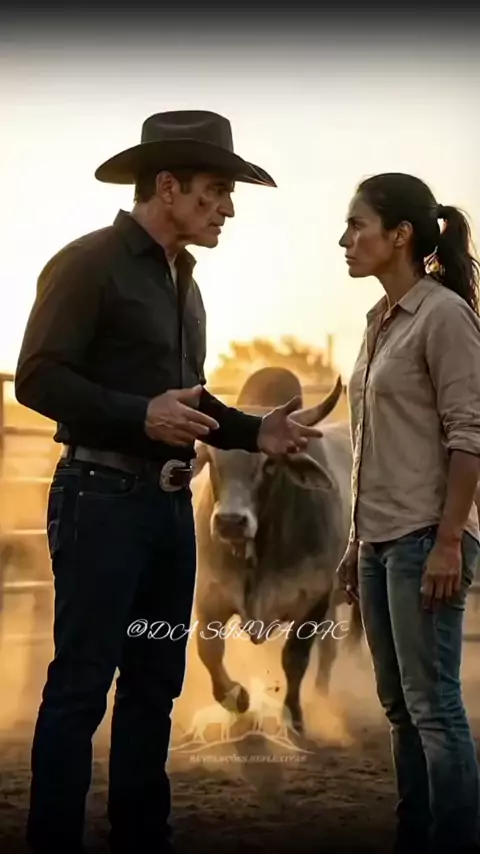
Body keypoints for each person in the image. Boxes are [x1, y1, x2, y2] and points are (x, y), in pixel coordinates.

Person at [14, 110, 322, 854]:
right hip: (99, 499)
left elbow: (190, 399)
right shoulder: (86, 265)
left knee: (156, 681)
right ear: (167, 186)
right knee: (83, 682)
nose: (228, 209)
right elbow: (36, 377)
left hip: (169, 506)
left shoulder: (188, 284)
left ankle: (140, 836)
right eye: (216, 190)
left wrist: (255, 431)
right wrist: (137, 413)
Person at [336, 172, 480, 854]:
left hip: (425, 538)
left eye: (356, 224)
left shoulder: (444, 316)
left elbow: (469, 436)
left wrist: (449, 541)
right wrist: (353, 542)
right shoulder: (377, 323)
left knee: (434, 707)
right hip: (377, 541)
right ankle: (413, 836)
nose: (344, 239)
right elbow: (372, 444)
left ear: (399, 235)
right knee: (398, 707)